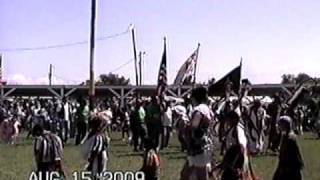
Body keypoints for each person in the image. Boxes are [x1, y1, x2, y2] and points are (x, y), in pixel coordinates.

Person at [180, 86, 213, 180]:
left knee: (199, 175)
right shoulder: (206, 108)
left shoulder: (199, 109)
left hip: (199, 147)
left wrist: (185, 125)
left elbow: (195, 125)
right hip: (203, 146)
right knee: (186, 174)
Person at [273, 116, 304, 180]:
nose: (279, 126)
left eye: (280, 124)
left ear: (285, 125)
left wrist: (283, 166)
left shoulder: (290, 138)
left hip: (289, 167)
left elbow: (294, 154)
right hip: (284, 165)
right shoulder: (285, 136)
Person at [81, 115, 109, 179]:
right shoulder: (99, 135)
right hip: (99, 158)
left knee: (97, 176)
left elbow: (96, 149)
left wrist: (90, 161)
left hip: (98, 159)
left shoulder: (98, 136)